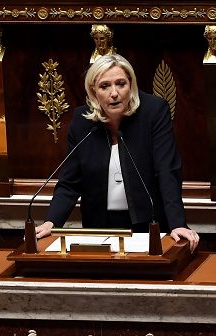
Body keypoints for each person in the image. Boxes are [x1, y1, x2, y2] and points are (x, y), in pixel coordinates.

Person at [35, 54, 199, 252]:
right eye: (105, 86)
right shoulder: (82, 121)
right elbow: (69, 182)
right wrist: (52, 221)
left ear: (131, 85)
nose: (114, 93)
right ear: (93, 91)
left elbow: (167, 171)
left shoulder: (153, 112)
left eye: (121, 84)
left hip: (148, 225)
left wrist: (177, 223)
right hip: (98, 228)